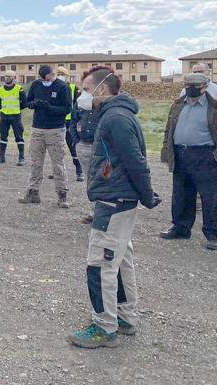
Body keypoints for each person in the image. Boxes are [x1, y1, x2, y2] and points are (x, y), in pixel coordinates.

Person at [67, 67, 161, 349]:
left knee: (100, 262)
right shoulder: (112, 114)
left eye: (86, 88)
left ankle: (104, 326)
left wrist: (146, 194)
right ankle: (124, 316)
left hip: (114, 199)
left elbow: (136, 160)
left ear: (102, 89)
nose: (83, 95)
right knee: (120, 258)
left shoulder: (116, 118)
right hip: (116, 196)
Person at [160, 73, 217, 251]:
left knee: (211, 197)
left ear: (205, 87)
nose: (191, 89)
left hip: (205, 155)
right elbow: (169, 128)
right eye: (188, 85)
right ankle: (181, 228)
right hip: (180, 153)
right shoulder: (178, 104)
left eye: (195, 86)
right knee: (181, 194)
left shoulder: (214, 107)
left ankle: (213, 233)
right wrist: (166, 151)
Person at [19, 64, 72, 208]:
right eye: (43, 79)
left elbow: (67, 109)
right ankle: (33, 192)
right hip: (37, 129)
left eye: (49, 77)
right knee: (36, 162)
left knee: (58, 164)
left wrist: (49, 107)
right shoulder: (36, 85)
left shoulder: (62, 87)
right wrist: (34, 104)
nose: (46, 80)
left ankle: (62, 195)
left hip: (55, 130)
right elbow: (27, 102)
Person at [71, 67, 107, 224]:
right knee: (90, 180)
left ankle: (104, 214)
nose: (83, 92)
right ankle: (95, 211)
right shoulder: (82, 101)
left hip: (101, 149)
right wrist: (76, 140)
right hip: (83, 146)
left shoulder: (108, 103)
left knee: (104, 180)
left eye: (87, 88)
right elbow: (73, 120)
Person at [0, 70, 27, 165]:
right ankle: (1, 157)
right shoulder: (0, 90)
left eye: (9, 76)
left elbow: (24, 103)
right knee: (3, 137)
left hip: (16, 117)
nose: (6, 78)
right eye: (5, 76)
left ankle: (21, 158)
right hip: (4, 117)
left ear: (13, 78)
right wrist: (6, 109)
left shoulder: (19, 89)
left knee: (19, 137)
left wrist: (16, 109)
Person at [57, 66, 83, 181]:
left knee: (73, 147)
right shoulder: (53, 87)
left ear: (67, 76)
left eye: (61, 74)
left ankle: (79, 171)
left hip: (69, 122)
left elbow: (80, 105)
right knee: (56, 148)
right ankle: (57, 171)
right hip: (56, 121)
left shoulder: (74, 88)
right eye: (57, 74)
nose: (59, 76)